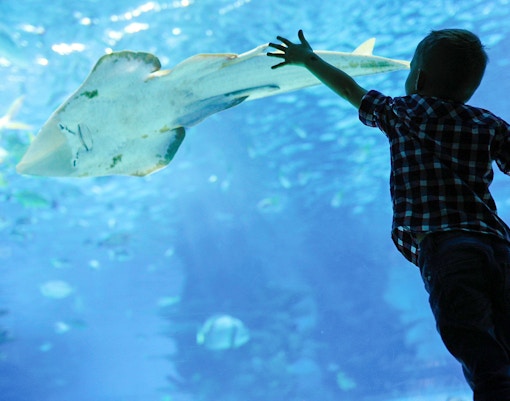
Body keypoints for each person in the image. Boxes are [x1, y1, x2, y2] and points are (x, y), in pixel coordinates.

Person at [267, 29, 510, 401]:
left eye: (412, 67)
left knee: (472, 337)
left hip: (448, 250)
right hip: (499, 247)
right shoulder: (488, 123)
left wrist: (309, 59)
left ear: (420, 78)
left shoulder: (402, 111)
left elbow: (351, 91)